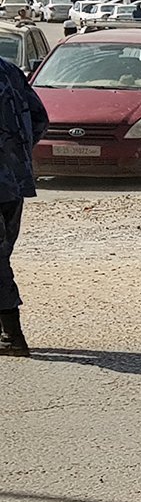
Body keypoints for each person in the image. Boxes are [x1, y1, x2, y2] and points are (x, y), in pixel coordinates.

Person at [0, 55, 48, 357]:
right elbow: (40, 118)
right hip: (13, 180)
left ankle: (12, 336)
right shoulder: (8, 69)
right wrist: (14, 155)